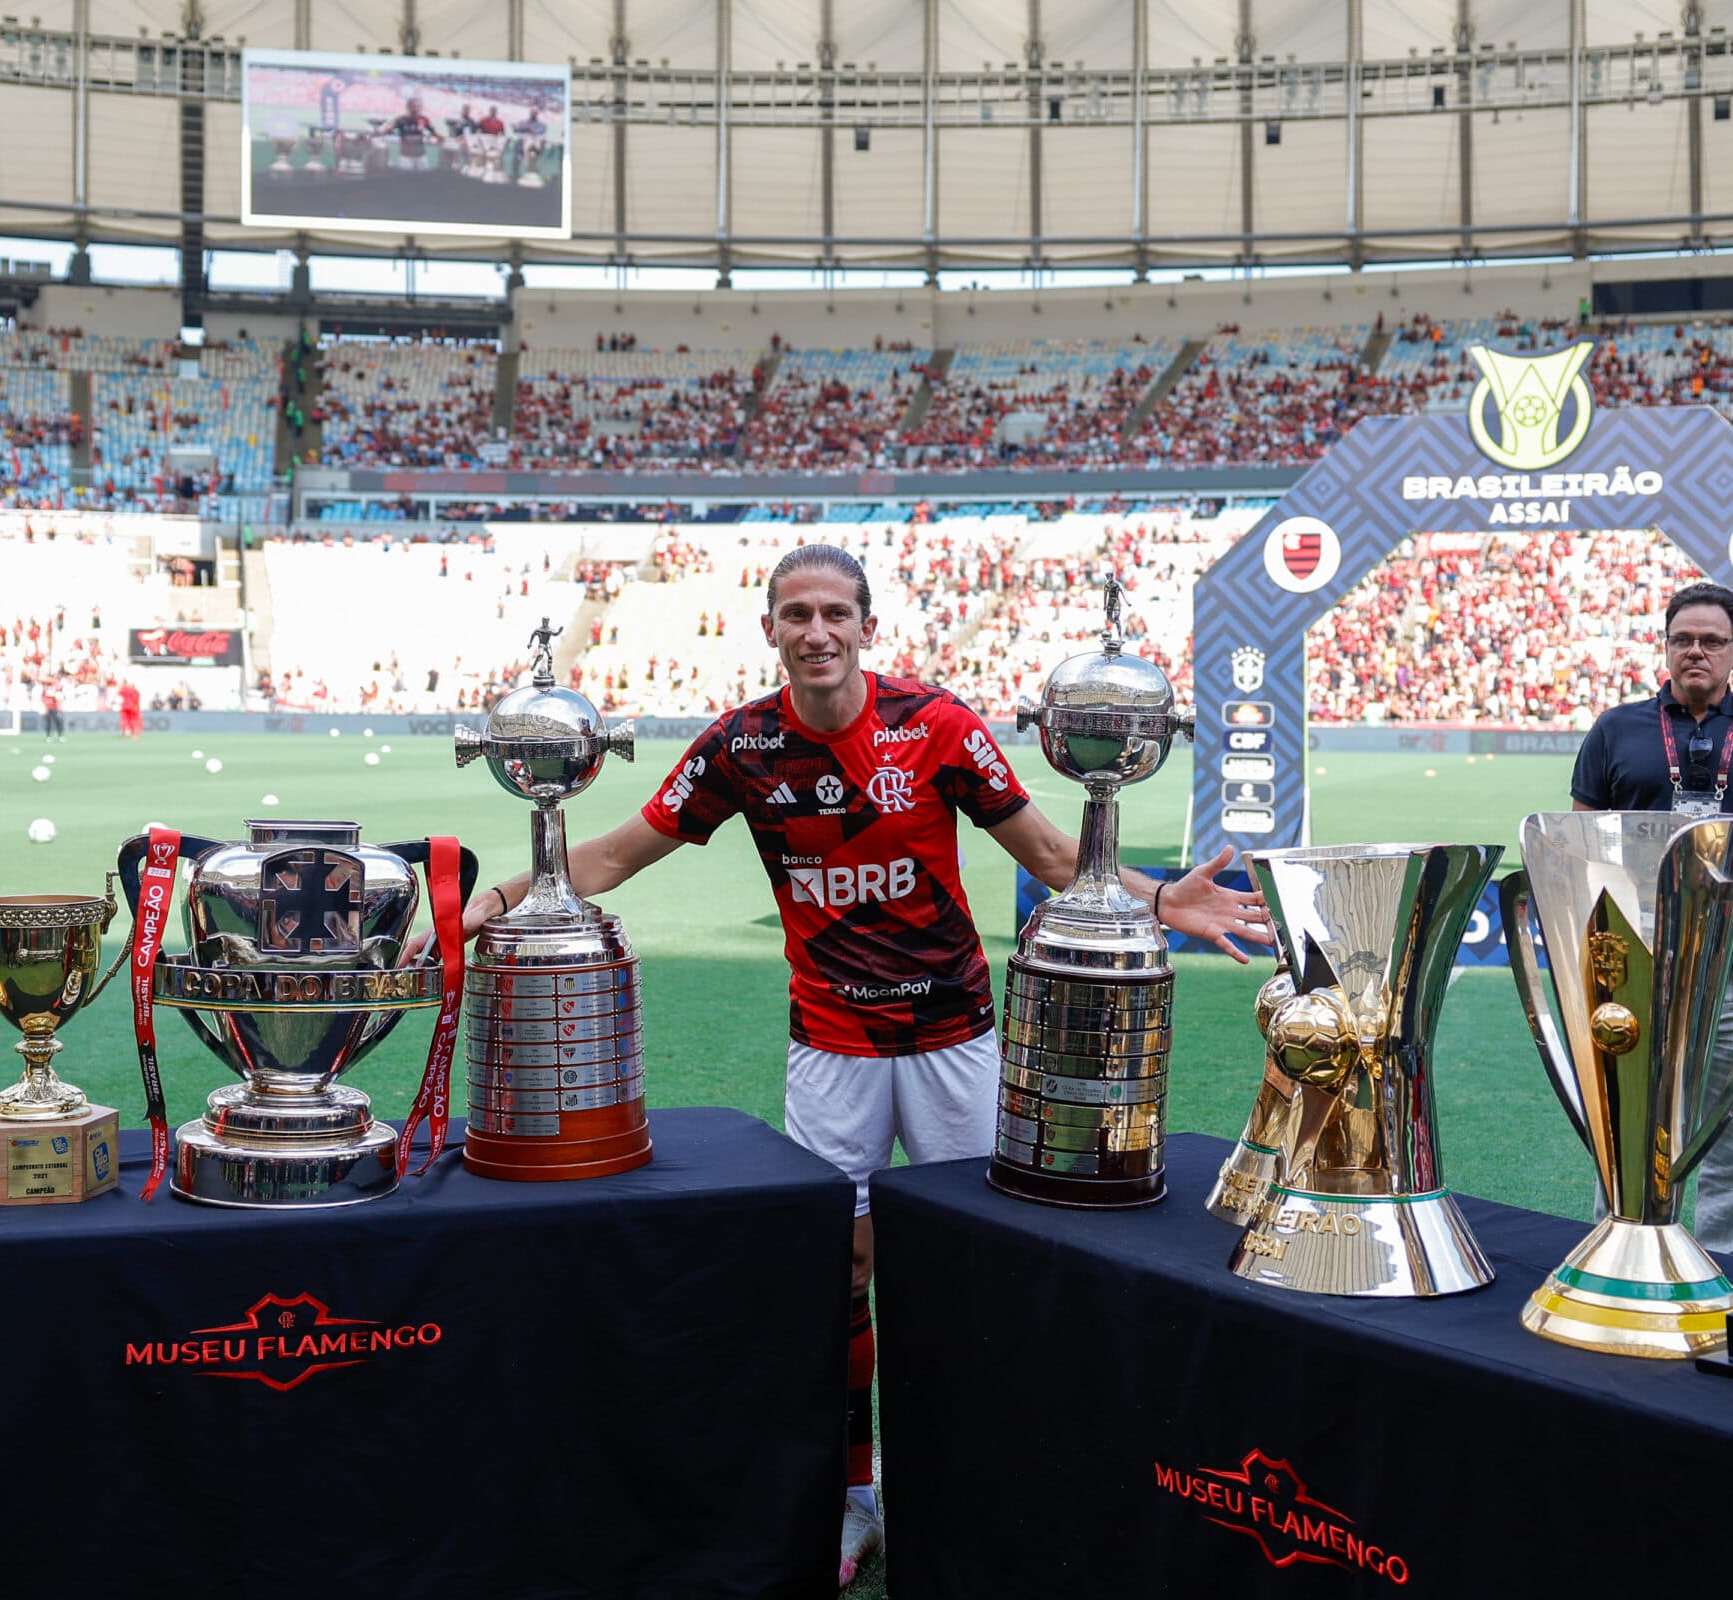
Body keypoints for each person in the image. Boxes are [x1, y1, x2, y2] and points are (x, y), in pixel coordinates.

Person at [431, 545, 1268, 1586]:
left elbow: (1056, 858)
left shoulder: (939, 726)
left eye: (835, 612)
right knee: (844, 1271)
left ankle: (998, 1474)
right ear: (771, 629)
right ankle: (858, 1496)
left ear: (867, 625)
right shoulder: (743, 744)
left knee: (986, 1257)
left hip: (956, 1037)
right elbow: (617, 851)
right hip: (832, 1046)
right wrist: (502, 900)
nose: (816, 630)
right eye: (797, 614)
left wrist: (1158, 899)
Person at [1567, 581, 1733, 1253]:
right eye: (1683, 639)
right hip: (1640, 964)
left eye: (1712, 641)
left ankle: (1714, 1262)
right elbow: (1580, 842)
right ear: (1664, 647)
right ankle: (1622, 1249)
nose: (1696, 651)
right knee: (1635, 1119)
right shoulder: (1616, 730)